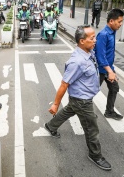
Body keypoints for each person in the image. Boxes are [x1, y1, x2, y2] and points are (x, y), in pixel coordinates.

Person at [45, 25, 111, 171]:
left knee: (69, 110)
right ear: (82, 41)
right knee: (91, 128)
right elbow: (64, 84)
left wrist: (109, 71)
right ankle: (95, 155)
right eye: (92, 38)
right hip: (82, 101)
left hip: (79, 98)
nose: (95, 40)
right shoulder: (77, 62)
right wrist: (55, 104)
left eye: (95, 37)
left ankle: (51, 126)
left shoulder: (89, 51)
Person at [95, 8, 124, 120]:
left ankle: (109, 112)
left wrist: (111, 70)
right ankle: (81, 112)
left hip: (108, 69)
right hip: (100, 70)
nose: (120, 24)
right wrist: (110, 71)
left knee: (114, 88)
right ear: (111, 21)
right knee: (90, 92)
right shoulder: (103, 35)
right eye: (119, 21)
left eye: (121, 21)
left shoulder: (113, 32)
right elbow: (100, 56)